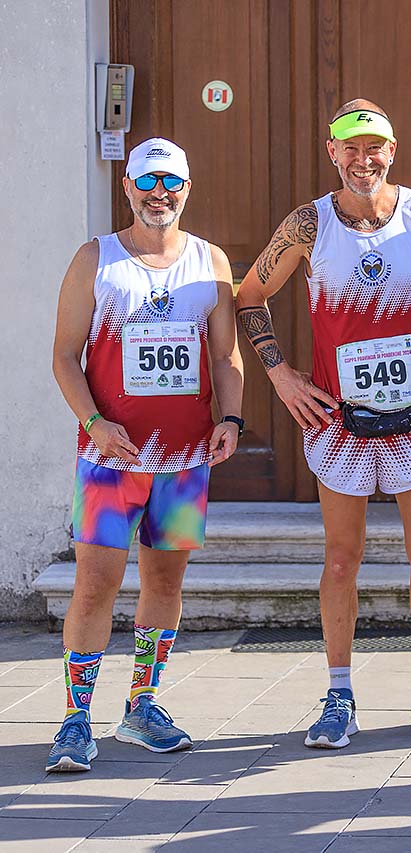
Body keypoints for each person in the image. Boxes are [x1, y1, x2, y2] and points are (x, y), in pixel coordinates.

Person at [236, 99, 411, 748]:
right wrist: (280, 374)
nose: (364, 159)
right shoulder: (308, 224)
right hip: (339, 419)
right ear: (332, 153)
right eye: (350, 148)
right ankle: (339, 696)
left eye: (375, 147)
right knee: (340, 558)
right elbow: (249, 295)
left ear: (392, 150)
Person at [48, 137, 244, 771]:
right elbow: (64, 358)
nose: (161, 195)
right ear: (128, 188)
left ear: (186, 189)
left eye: (173, 184)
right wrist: (95, 424)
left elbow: (224, 355)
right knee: (95, 582)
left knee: (165, 581)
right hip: (109, 459)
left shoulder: (211, 262)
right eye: (149, 183)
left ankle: (142, 706)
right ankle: (76, 719)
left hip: (184, 462)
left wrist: (233, 418)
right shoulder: (96, 260)